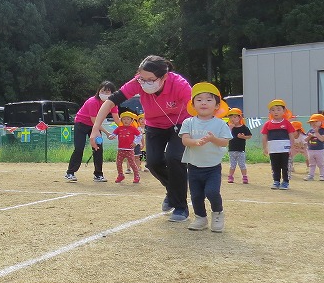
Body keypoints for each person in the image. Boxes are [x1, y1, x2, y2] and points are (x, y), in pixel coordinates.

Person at [90, 56, 193, 221]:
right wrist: (95, 129)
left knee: (174, 157)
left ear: (164, 77)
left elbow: (196, 107)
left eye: (150, 80)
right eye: (142, 78)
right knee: (153, 163)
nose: (145, 83)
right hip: (155, 125)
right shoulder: (137, 83)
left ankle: (181, 207)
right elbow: (110, 102)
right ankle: (172, 191)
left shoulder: (180, 85)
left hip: (180, 124)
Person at [179, 83, 232, 232]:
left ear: (217, 105)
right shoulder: (188, 122)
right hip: (193, 167)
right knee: (196, 195)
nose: (204, 103)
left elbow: (224, 142)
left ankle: (218, 214)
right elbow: (185, 140)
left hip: (213, 167)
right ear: (193, 105)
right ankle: (200, 218)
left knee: (212, 192)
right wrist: (195, 142)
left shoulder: (220, 124)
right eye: (199, 99)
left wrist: (212, 139)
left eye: (209, 100)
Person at [65, 81, 120, 183]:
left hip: (95, 127)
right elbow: (94, 121)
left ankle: (98, 174)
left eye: (107, 92)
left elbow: (117, 119)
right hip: (81, 125)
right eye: (102, 91)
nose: (104, 93)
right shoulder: (93, 102)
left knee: (98, 148)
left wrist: (126, 129)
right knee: (79, 148)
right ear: (98, 91)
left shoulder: (112, 104)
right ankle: (70, 173)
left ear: (112, 93)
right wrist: (107, 133)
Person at [261, 99, 295, 190]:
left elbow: (291, 136)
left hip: (285, 149)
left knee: (285, 166)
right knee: (275, 166)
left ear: (284, 111)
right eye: (273, 110)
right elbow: (264, 136)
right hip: (273, 149)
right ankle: (276, 181)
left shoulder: (287, 123)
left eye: (278, 109)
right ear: (270, 112)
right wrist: (265, 148)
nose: (276, 112)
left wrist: (292, 148)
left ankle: (285, 182)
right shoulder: (267, 124)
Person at [111, 111, 141, 183]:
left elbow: (139, 135)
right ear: (121, 120)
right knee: (118, 163)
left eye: (128, 119)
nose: (126, 121)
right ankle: (120, 175)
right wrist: (111, 136)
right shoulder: (119, 128)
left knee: (132, 163)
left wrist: (135, 142)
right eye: (124, 119)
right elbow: (113, 134)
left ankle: (136, 175)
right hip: (120, 149)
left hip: (129, 150)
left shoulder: (133, 129)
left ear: (131, 121)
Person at [226, 108, 252, 183]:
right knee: (232, 165)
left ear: (239, 117)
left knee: (242, 164)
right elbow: (226, 135)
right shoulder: (229, 127)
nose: (232, 119)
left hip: (241, 150)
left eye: (235, 117)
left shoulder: (244, 127)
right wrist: (230, 128)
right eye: (231, 117)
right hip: (232, 149)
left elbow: (249, 136)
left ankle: (244, 177)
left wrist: (243, 137)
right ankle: (230, 176)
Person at [303, 114, 324, 181]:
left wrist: (316, 133)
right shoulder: (310, 130)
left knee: (321, 164)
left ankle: (322, 175)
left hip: (320, 150)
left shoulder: (322, 130)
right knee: (311, 164)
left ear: (321, 122)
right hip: (310, 150)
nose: (313, 123)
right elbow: (305, 140)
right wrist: (309, 136)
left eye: (316, 121)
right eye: (312, 122)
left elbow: (322, 139)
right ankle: (311, 175)